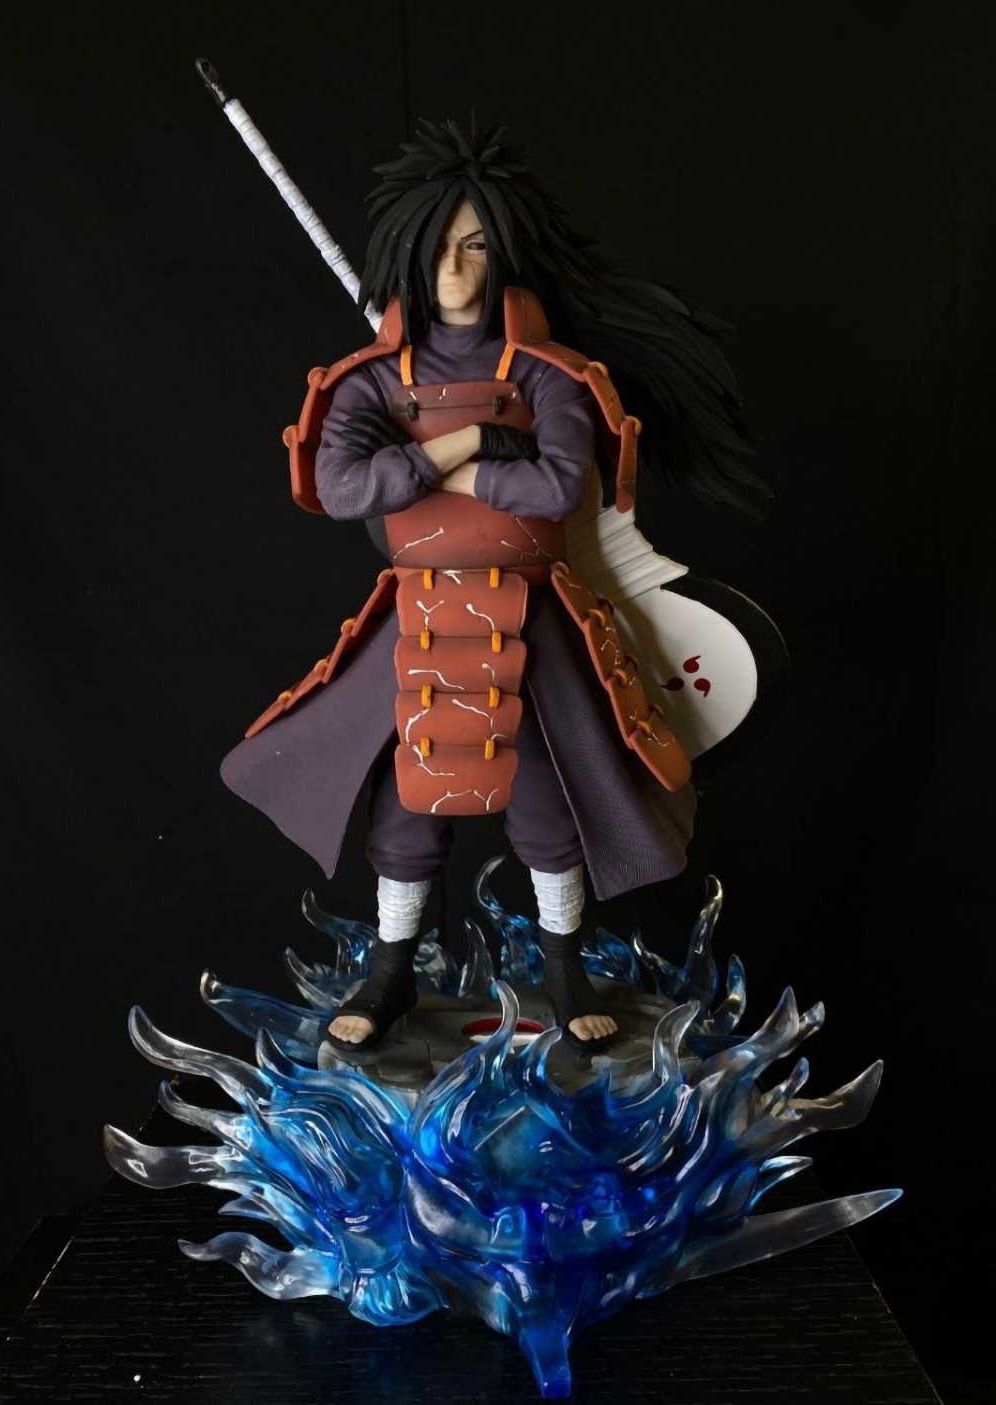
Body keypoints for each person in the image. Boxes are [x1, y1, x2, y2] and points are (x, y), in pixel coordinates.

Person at [220, 119, 767, 1055]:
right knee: (406, 804)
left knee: (550, 798)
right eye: (439, 246)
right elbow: (341, 489)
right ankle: (389, 972)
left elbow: (557, 486)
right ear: (408, 251)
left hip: (532, 617)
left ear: (502, 252)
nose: (454, 268)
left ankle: (564, 970)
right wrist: (472, 443)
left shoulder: (550, 377)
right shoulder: (367, 383)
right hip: (418, 617)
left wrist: (420, 467)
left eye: (474, 245)